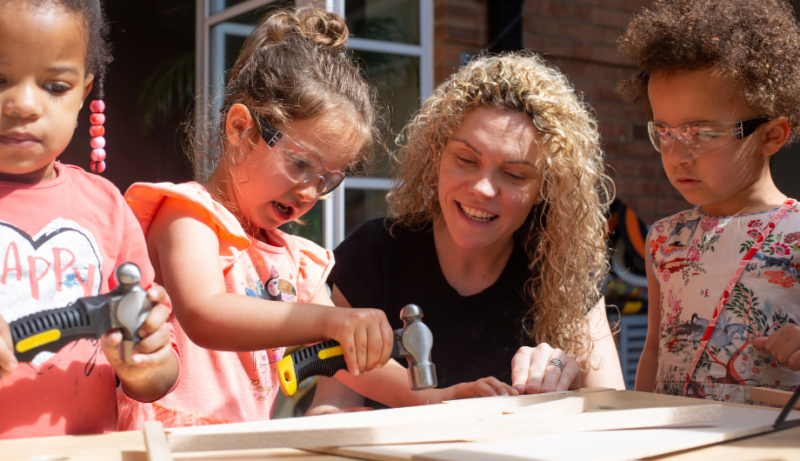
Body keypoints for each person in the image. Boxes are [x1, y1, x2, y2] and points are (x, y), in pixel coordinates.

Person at [120, 7, 516, 429]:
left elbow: (342, 356)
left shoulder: (291, 261)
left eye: (328, 179)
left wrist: (435, 399)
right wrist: (333, 319)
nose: (309, 191)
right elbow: (205, 313)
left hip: (237, 444)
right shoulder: (189, 215)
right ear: (240, 128)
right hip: (163, 442)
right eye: (299, 164)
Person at [309, 52, 625, 415]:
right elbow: (328, 407)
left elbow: (615, 413)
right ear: (436, 156)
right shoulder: (374, 255)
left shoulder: (565, 272)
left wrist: (570, 383)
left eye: (515, 175)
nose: (483, 189)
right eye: (466, 159)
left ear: (547, 189)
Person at [0, 0, 179, 439]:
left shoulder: (108, 208)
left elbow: (159, 375)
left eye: (55, 86)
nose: (24, 104)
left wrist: (145, 362)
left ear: (84, 93)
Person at [618, 0, 800, 403]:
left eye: (701, 132)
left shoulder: (797, 233)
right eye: (664, 131)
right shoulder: (663, 239)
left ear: (771, 135)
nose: (678, 153)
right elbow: (655, 349)